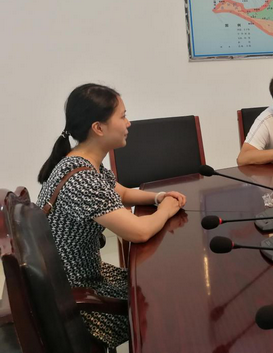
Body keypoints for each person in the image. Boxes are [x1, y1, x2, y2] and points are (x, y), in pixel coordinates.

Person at [36, 83, 187, 349]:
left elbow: (122, 193)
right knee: (165, 305)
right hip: (75, 299)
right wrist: (166, 210)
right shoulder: (82, 179)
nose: (128, 123)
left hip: (76, 279)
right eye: (123, 116)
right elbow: (138, 232)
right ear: (98, 128)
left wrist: (158, 197)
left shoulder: (81, 161)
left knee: (157, 283)